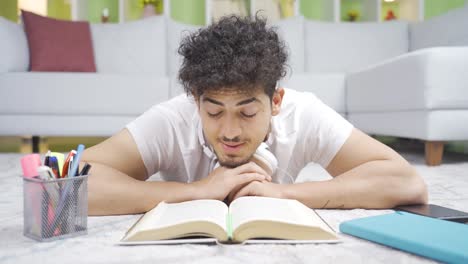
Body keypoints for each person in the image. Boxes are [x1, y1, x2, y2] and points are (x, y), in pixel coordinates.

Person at [82, 15, 427, 216]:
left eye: (247, 112)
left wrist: (284, 194)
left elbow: (405, 181)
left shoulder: (303, 113)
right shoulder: (172, 120)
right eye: (214, 111)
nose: (229, 132)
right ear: (194, 101)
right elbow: (67, 184)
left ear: (276, 101)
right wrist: (198, 191)